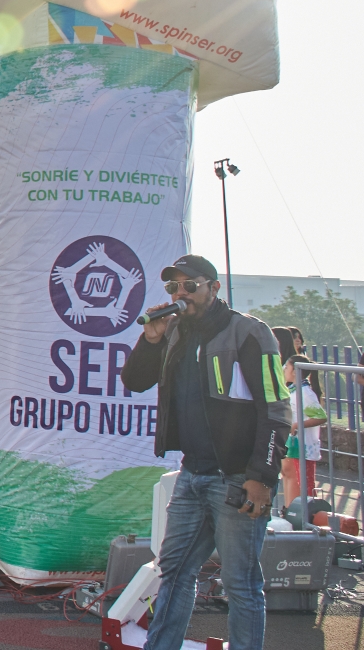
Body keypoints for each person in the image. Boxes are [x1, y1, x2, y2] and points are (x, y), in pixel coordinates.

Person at [122, 254, 289, 650]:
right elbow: (135, 381)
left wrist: (261, 477)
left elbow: (276, 408)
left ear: (213, 288)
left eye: (190, 285)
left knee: (240, 583)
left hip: (237, 478)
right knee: (174, 571)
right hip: (192, 474)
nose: (180, 293)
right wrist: (150, 339)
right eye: (173, 287)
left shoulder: (248, 332)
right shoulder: (174, 331)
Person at [281, 355, 325, 507]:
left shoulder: (305, 393)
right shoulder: (292, 390)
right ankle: (288, 510)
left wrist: (296, 425)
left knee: (301, 486)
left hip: (303, 447)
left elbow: (320, 417)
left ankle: (300, 513)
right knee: (288, 476)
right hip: (291, 445)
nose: (284, 369)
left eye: (287, 366)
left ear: (295, 371)